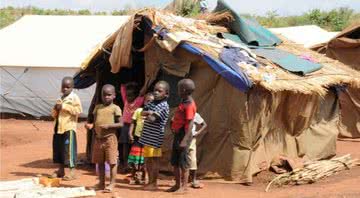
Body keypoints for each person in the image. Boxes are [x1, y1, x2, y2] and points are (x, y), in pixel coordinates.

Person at [85, 84, 123, 193]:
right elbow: (95, 121)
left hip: (110, 139)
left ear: (114, 96)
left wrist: (109, 126)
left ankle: (112, 183)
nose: (106, 97)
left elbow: (121, 124)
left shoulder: (115, 108)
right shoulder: (98, 107)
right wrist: (91, 126)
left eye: (109, 95)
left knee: (112, 162)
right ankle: (101, 183)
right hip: (98, 139)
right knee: (100, 162)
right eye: (104, 95)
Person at [139, 81, 170, 191]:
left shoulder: (163, 106)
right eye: (155, 90)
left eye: (159, 91)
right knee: (147, 160)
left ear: (166, 94)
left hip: (155, 138)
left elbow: (152, 119)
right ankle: (150, 181)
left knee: (154, 160)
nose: (156, 93)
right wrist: (149, 112)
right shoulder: (152, 103)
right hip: (147, 137)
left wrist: (148, 113)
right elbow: (142, 112)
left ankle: (154, 183)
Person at [167, 79, 197, 193]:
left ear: (184, 90)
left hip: (183, 135)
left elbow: (190, 123)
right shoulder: (183, 101)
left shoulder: (189, 105)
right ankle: (177, 184)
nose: (178, 91)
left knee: (183, 162)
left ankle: (184, 187)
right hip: (178, 133)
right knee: (175, 161)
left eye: (179, 89)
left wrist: (184, 140)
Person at [51, 76, 82, 181]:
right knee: (59, 149)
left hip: (69, 128)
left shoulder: (74, 97)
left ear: (72, 87)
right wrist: (55, 108)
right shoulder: (60, 99)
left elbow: (78, 110)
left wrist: (64, 107)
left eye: (68, 87)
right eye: (63, 87)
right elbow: (53, 115)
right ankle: (60, 170)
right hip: (58, 128)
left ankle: (72, 172)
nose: (65, 89)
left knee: (68, 150)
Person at [127, 93, 155, 185]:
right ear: (144, 101)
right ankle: (133, 176)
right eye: (147, 101)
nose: (149, 103)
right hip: (137, 138)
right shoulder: (139, 111)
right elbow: (133, 122)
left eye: (151, 101)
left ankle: (144, 177)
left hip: (148, 139)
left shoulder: (154, 113)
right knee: (135, 158)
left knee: (144, 160)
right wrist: (130, 133)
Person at [119, 82, 144, 171]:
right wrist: (128, 84)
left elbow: (142, 94)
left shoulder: (138, 102)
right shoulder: (125, 101)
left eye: (131, 95)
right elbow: (122, 88)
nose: (129, 97)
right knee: (125, 146)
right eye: (128, 95)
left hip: (133, 127)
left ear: (135, 96)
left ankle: (133, 165)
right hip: (125, 126)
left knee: (134, 146)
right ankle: (125, 164)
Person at [188, 113, 207, 188]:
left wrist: (197, 133)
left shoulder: (194, 114)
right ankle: (181, 180)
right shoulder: (180, 113)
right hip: (181, 138)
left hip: (191, 139)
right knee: (182, 159)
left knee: (192, 160)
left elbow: (204, 124)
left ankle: (193, 179)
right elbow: (173, 121)